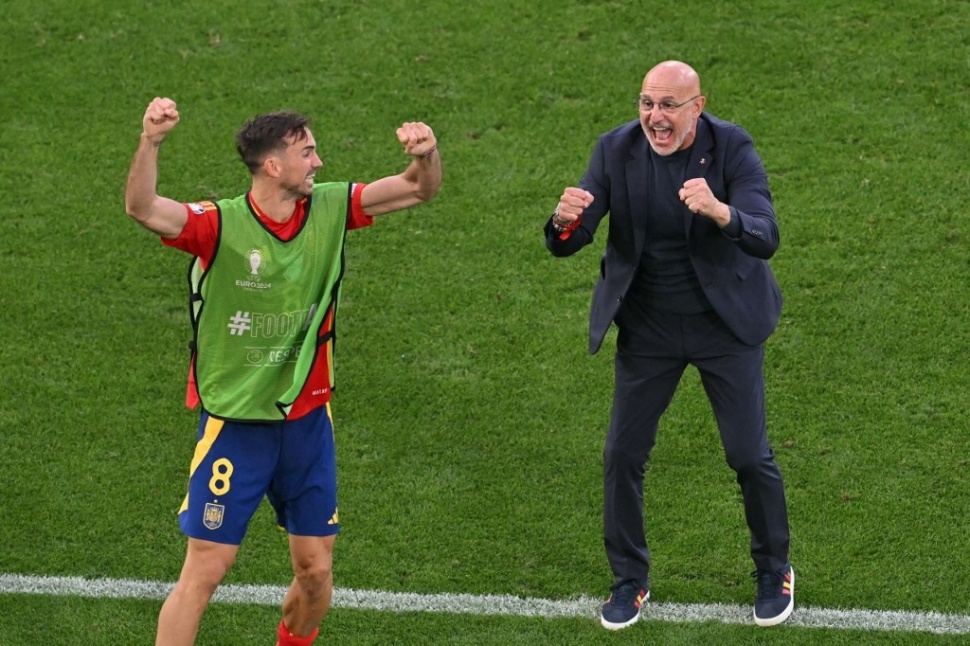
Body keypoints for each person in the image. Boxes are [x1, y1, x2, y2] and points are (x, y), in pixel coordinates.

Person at [125, 97, 441, 646]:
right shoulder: (217, 224)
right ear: (273, 166)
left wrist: (428, 154)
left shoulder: (330, 208)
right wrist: (151, 142)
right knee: (205, 570)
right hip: (236, 424)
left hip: (306, 422)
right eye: (308, 152)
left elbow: (419, 188)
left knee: (316, 571)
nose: (319, 162)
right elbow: (143, 208)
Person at [544, 61, 793, 630]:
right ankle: (629, 579)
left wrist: (721, 212)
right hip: (649, 330)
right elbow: (572, 238)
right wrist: (563, 222)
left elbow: (766, 234)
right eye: (646, 103)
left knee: (748, 455)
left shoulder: (732, 149)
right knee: (622, 456)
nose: (655, 117)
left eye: (668, 106)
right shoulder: (615, 150)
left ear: (697, 107)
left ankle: (773, 569)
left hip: (723, 326)